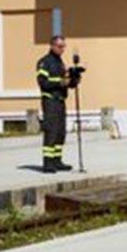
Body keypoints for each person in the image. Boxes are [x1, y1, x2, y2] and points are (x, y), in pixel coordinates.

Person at [35, 35, 82, 173]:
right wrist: (61, 82)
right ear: (52, 46)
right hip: (50, 101)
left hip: (61, 101)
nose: (63, 49)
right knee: (51, 131)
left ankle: (57, 160)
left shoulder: (60, 63)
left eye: (64, 46)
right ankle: (48, 162)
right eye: (60, 46)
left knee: (61, 132)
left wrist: (74, 80)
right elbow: (43, 83)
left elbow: (66, 83)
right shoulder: (45, 62)